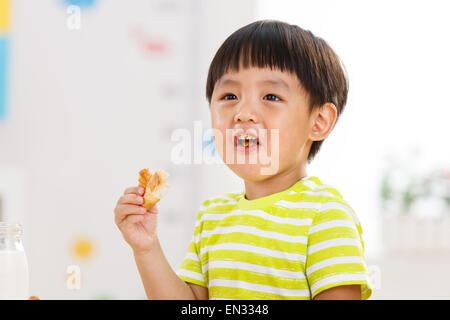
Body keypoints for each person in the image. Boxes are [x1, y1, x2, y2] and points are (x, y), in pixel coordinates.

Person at [114, 20, 372, 300]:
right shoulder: (212, 217)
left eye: (271, 96)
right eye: (229, 96)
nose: (243, 112)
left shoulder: (326, 217)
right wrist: (146, 248)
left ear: (319, 121)